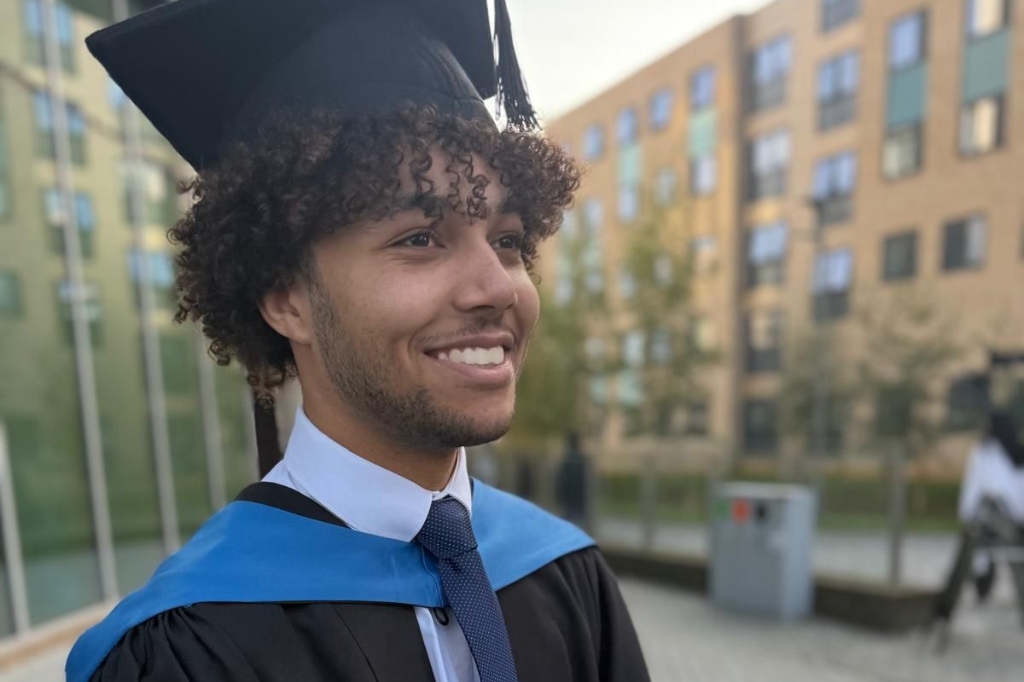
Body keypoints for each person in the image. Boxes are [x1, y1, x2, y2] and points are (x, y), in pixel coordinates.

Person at [65, 1, 650, 681]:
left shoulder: (564, 572)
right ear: (286, 298)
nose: (497, 287)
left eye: (508, 240)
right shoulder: (185, 648)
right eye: (419, 240)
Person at [933, 411, 1024, 638]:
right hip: (993, 524)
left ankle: (944, 613)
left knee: (982, 552)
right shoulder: (986, 453)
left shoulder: (991, 454)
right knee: (973, 552)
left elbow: (973, 491)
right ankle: (944, 612)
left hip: (1006, 525)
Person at [556, 431, 591, 530]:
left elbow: (561, 480)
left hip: (570, 498)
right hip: (578, 499)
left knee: (570, 522)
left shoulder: (568, 460)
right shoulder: (581, 460)